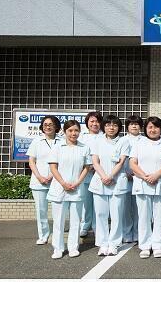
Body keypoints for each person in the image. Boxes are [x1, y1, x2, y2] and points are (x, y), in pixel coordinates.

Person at [129, 116, 161, 258]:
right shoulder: (139, 143)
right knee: (144, 217)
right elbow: (132, 163)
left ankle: (158, 246)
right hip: (143, 183)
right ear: (145, 129)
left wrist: (155, 176)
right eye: (150, 127)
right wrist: (145, 177)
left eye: (156, 127)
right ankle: (144, 246)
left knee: (160, 217)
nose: (153, 129)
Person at [46, 120, 92, 259]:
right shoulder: (57, 147)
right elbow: (53, 167)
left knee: (76, 221)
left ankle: (73, 247)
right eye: (70, 130)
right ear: (64, 132)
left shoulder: (84, 147)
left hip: (77, 188)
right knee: (58, 221)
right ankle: (58, 248)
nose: (73, 133)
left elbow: (86, 167)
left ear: (80, 132)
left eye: (76, 130)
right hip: (59, 188)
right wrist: (63, 183)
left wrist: (77, 182)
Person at [88, 115, 130, 256]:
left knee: (117, 214)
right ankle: (103, 243)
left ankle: (114, 244)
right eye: (108, 125)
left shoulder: (124, 141)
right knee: (100, 214)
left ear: (119, 127)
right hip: (100, 181)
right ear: (103, 127)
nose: (111, 128)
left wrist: (110, 176)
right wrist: (104, 177)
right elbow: (95, 161)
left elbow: (121, 162)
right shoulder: (97, 141)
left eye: (114, 125)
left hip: (117, 181)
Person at [26, 115, 61, 245]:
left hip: (57, 181)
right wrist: (40, 177)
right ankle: (43, 235)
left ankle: (57, 234)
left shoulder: (62, 141)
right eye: (45, 124)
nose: (48, 126)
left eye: (51, 124)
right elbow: (31, 161)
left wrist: (52, 176)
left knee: (59, 211)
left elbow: (62, 161)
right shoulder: (36, 141)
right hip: (38, 181)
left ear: (56, 126)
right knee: (41, 211)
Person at [79, 111, 102, 237]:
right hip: (86, 174)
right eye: (92, 121)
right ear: (87, 123)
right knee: (86, 203)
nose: (95, 124)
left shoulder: (104, 137)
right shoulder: (81, 137)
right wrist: (88, 165)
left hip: (100, 174)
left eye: (97, 121)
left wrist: (97, 166)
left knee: (99, 204)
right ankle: (85, 225)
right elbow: (79, 154)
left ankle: (97, 226)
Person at [123, 115, 143, 243]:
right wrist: (126, 173)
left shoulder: (145, 140)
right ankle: (126, 233)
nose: (134, 126)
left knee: (138, 208)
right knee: (125, 208)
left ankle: (137, 232)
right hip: (125, 177)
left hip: (140, 177)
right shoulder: (122, 140)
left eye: (136, 124)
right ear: (127, 127)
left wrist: (137, 173)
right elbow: (119, 160)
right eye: (131, 124)